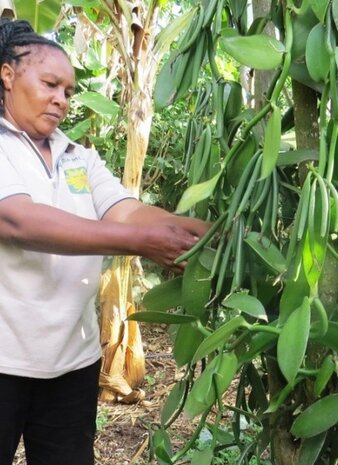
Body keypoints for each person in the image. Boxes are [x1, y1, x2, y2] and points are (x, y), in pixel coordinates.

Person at [0, 18, 209, 465]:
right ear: (8, 75)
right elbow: (18, 221)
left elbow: (126, 210)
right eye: (50, 84)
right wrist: (141, 242)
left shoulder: (78, 154)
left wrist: (195, 231)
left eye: (69, 92)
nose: (61, 99)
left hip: (71, 364)